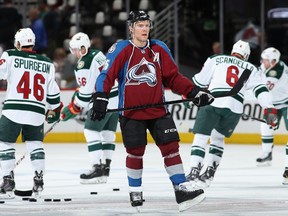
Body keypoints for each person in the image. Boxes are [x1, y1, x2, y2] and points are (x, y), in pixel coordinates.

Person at [90, 11, 214, 212]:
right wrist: (101, 96)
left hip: (158, 110)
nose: (144, 29)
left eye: (147, 25)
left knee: (171, 148)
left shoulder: (159, 48)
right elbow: (107, 74)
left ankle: (181, 189)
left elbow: (173, 77)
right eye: (140, 25)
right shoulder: (121, 49)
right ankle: (135, 191)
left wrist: (193, 91)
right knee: (136, 152)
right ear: (131, 28)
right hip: (131, 113)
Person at [185, 40, 278, 189]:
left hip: (214, 101)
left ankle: (194, 170)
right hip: (235, 108)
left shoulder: (216, 59)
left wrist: (188, 95)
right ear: (246, 55)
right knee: (218, 138)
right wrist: (269, 109)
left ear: (233, 50)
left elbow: (199, 82)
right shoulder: (252, 68)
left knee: (201, 136)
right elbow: (261, 91)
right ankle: (209, 173)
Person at [0, 28, 62, 198]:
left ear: (18, 43)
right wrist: (55, 109)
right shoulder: (48, 63)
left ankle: (7, 181)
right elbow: (54, 94)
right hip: (36, 111)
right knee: (36, 145)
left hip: (13, 109)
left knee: (5, 144)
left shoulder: (10, 55)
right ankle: (39, 181)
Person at [60, 32, 119, 184]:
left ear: (82, 48)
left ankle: (96, 168)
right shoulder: (98, 53)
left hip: (101, 101)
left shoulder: (83, 64)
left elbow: (86, 94)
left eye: (74, 49)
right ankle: (105, 170)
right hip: (116, 98)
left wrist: (74, 108)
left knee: (90, 130)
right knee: (107, 133)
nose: (73, 53)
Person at [255, 48, 288, 178]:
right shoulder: (268, 66)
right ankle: (267, 153)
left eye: (266, 60)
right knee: (266, 126)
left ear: (274, 61)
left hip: (286, 103)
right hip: (273, 104)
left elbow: (263, 88)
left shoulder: (277, 71)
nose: (263, 62)